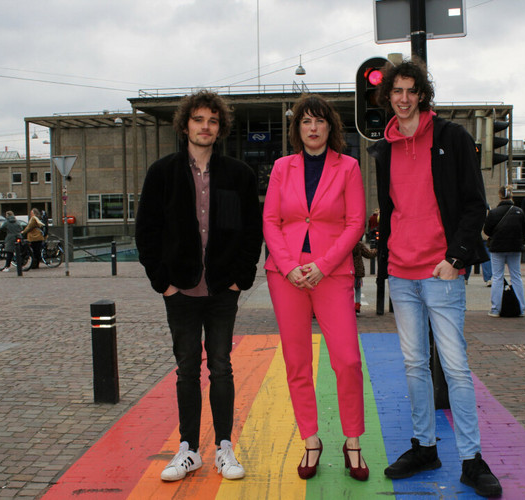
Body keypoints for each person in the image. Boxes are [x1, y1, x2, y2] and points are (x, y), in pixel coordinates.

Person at [368, 59, 501, 498]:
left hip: (441, 272)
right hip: (403, 274)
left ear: (422, 95)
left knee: (457, 368)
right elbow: (390, 211)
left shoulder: (450, 138)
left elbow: (473, 204)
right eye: (396, 91)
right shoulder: (383, 150)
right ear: (387, 96)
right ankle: (424, 446)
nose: (403, 99)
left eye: (411, 91)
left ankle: (471, 458)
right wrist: (387, 259)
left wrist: (456, 258)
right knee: (413, 366)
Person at [135, 90, 263, 482]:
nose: (205, 126)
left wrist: (242, 280)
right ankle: (188, 449)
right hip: (182, 291)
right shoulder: (162, 172)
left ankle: (224, 447)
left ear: (219, 127)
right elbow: (147, 231)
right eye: (198, 119)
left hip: (223, 290)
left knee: (221, 367)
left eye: (212, 120)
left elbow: (250, 232)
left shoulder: (238, 174)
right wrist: (164, 283)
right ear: (185, 125)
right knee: (187, 369)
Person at [263, 94, 369, 481]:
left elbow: (355, 222)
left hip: (331, 273)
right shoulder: (281, 167)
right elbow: (271, 221)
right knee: (296, 363)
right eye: (306, 121)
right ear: (298, 128)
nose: (312, 127)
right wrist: (290, 267)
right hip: (286, 275)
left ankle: (352, 441)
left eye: (319, 121)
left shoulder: (349, 167)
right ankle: (311, 440)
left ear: (330, 127)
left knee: (348, 360)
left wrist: (322, 266)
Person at [484, 186, 525, 317]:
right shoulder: (519, 211)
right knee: (516, 276)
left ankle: (495, 308)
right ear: (511, 195)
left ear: (499, 195)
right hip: (515, 246)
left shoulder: (494, 212)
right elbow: (524, 229)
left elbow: (487, 230)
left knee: (497, 277)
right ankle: (521, 307)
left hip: (498, 247)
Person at [353, 237, 377, 314]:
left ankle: (348, 306)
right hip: (357, 271)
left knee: (347, 290)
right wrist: (377, 250)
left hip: (347, 271)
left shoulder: (345, 244)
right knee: (358, 288)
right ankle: (357, 305)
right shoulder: (359, 245)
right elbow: (368, 254)